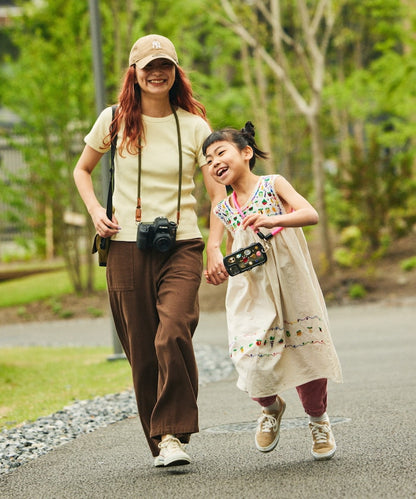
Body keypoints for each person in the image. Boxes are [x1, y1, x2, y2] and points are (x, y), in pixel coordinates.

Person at [73, 34, 227, 467]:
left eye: (166, 66)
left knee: (173, 330)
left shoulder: (195, 125)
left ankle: (174, 433)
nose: (157, 73)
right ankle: (162, 442)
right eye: (148, 67)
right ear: (134, 73)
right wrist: (94, 212)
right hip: (125, 246)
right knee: (141, 348)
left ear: (176, 72)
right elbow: (82, 170)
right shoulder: (115, 119)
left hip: (182, 244)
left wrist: (215, 246)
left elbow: (218, 196)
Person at [202, 122, 342, 461]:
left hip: (290, 281)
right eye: (207, 160)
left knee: (304, 352)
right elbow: (215, 246)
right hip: (251, 291)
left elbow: (310, 213)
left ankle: (318, 421)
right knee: (248, 357)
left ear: (246, 153)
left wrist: (272, 221)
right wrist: (216, 260)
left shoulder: (273, 183)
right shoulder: (222, 208)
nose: (214, 162)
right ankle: (270, 407)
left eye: (220, 152)